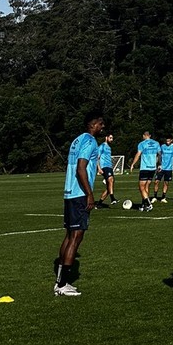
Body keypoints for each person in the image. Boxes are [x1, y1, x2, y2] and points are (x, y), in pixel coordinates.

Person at [54, 112, 105, 296]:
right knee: (76, 237)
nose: (103, 127)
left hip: (69, 193)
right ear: (94, 124)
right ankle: (62, 284)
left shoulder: (76, 140)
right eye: (101, 124)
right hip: (79, 194)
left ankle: (60, 281)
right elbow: (81, 167)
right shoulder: (90, 142)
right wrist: (89, 194)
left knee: (69, 235)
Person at [129, 131, 160, 212]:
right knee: (147, 187)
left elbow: (138, 154)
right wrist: (160, 164)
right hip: (152, 168)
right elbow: (160, 154)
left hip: (145, 168)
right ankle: (143, 205)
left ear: (144, 136)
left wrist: (133, 164)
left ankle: (149, 204)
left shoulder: (142, 144)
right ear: (149, 135)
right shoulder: (156, 143)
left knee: (141, 187)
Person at [153, 136, 173, 203]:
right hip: (161, 167)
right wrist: (158, 164)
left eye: (168, 140)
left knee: (166, 183)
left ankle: (163, 197)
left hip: (169, 168)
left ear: (171, 140)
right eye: (166, 140)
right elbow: (159, 155)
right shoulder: (162, 146)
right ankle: (155, 197)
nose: (167, 142)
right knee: (156, 181)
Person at [96, 133, 117, 207]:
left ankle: (99, 204)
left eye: (112, 138)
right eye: (110, 138)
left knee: (109, 187)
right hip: (104, 167)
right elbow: (97, 158)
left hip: (109, 167)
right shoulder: (102, 146)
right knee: (110, 180)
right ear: (106, 137)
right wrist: (99, 168)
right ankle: (112, 198)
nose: (112, 139)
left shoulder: (109, 147)